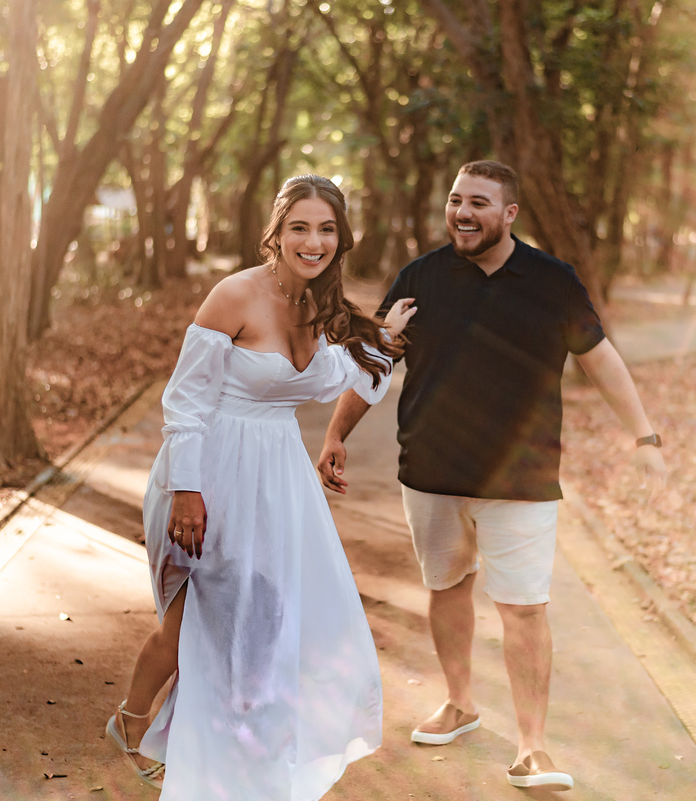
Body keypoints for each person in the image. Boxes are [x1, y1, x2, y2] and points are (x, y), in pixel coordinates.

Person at [316, 160, 667, 792]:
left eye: (478, 203)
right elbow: (376, 360)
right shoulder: (419, 277)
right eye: (456, 200)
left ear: (508, 214)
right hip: (430, 472)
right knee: (447, 587)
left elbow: (600, 359)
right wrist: (337, 433)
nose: (463, 213)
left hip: (522, 480)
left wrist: (644, 436)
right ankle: (460, 703)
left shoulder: (552, 281)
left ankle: (532, 745)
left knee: (524, 607)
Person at [107, 174, 417, 800]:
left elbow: (334, 379)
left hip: (276, 479)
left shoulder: (323, 309)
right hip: (208, 470)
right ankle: (142, 725)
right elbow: (186, 403)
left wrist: (382, 338)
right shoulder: (234, 296)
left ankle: (239, 756)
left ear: (340, 237)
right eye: (299, 227)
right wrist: (190, 491)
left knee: (266, 618)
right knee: (200, 616)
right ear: (275, 233)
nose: (314, 240)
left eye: (326, 228)